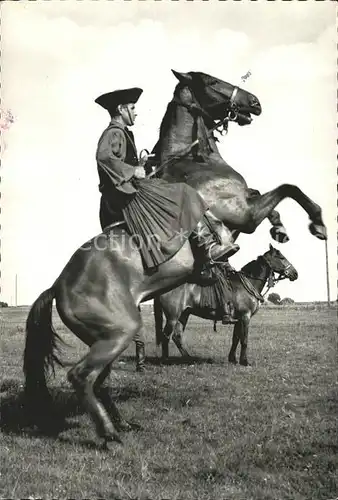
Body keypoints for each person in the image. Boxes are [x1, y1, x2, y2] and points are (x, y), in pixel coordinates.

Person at [95, 87, 239, 323]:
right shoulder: (113, 133)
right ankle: (206, 244)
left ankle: (204, 243)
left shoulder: (122, 133)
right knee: (183, 192)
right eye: (132, 109)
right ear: (121, 110)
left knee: (180, 192)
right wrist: (134, 170)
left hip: (127, 192)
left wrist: (140, 163)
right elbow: (104, 158)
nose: (135, 113)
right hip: (122, 197)